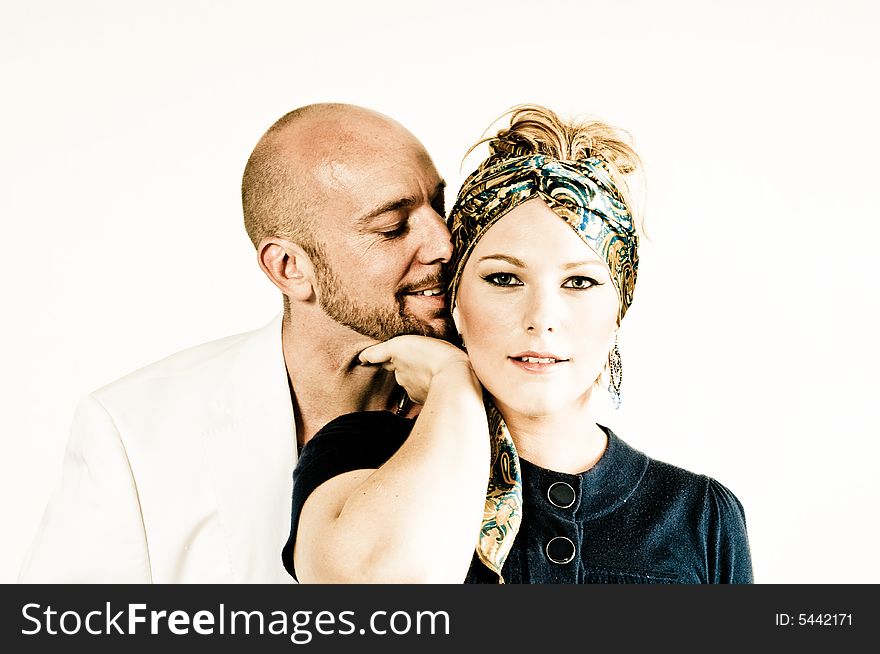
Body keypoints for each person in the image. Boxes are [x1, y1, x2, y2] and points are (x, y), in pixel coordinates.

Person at [283, 105, 754, 584]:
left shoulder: (700, 516)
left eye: (580, 283)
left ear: (619, 307)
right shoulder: (357, 457)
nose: (542, 319)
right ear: (455, 299)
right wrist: (452, 382)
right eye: (504, 278)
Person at [19, 103, 452, 583]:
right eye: (392, 228)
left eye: (439, 206)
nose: (444, 244)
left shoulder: (505, 398)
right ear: (290, 268)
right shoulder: (131, 432)